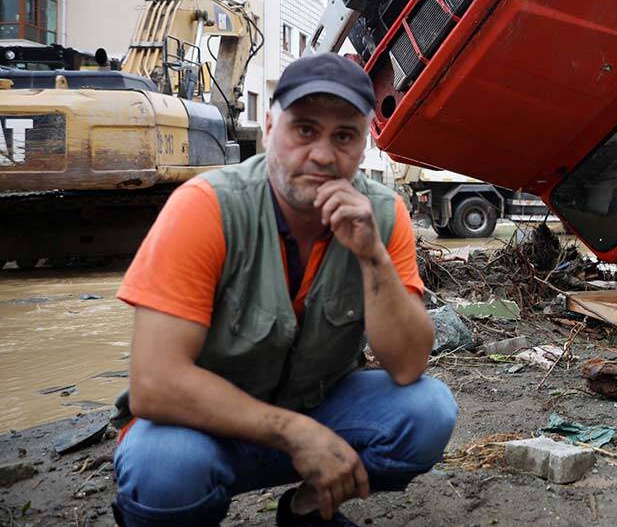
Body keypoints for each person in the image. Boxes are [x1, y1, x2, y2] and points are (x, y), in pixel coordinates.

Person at [110, 53, 457, 527]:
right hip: (205, 430)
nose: (322, 154)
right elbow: (153, 383)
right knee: (164, 469)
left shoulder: (383, 215)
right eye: (305, 130)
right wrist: (294, 433)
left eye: (344, 136)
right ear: (270, 126)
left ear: (364, 147)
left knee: (428, 411)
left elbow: (408, 364)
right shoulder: (206, 207)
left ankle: (308, 511)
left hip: (318, 409)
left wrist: (372, 257)